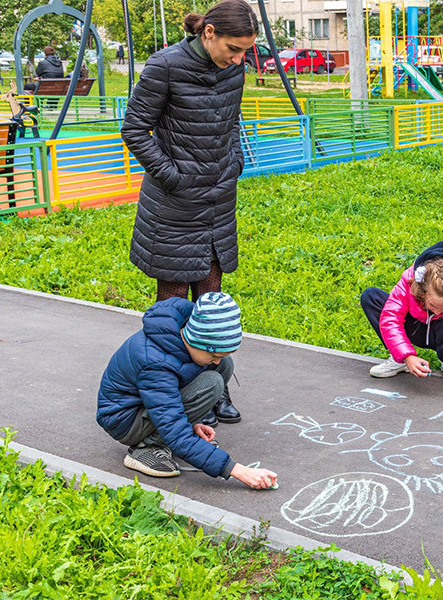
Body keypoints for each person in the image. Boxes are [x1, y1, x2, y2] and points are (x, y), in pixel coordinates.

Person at [121, 0, 258, 426]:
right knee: (173, 308)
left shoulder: (233, 68)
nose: (239, 60)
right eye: (234, 49)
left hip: (218, 199)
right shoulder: (164, 66)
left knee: (211, 301)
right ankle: (174, 400)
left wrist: (234, 162)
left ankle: (212, 391)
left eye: (245, 52)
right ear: (209, 32)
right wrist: (173, 176)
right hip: (173, 205)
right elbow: (133, 128)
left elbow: (231, 122)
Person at [95, 292, 278, 490]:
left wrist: (193, 422)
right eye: (214, 354)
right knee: (213, 382)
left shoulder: (181, 336)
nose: (216, 359)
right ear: (196, 340)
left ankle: (159, 435)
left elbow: (170, 396)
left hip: (146, 405)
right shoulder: (156, 363)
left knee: (223, 366)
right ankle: (146, 448)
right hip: (124, 421)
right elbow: (174, 430)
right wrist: (237, 470)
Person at [359, 241, 443, 392]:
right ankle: (399, 360)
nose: (436, 313)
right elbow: (391, 317)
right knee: (371, 297)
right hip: (415, 328)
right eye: (433, 306)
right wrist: (406, 356)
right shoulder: (411, 281)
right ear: (423, 289)